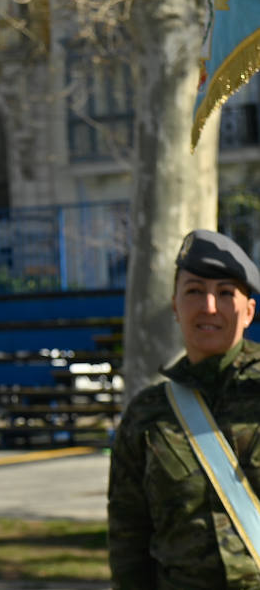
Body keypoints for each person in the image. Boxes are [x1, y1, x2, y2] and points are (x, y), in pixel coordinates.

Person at [109, 229, 260, 587]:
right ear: (175, 305)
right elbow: (128, 535)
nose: (209, 307)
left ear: (249, 311)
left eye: (225, 293)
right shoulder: (147, 415)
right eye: (194, 292)